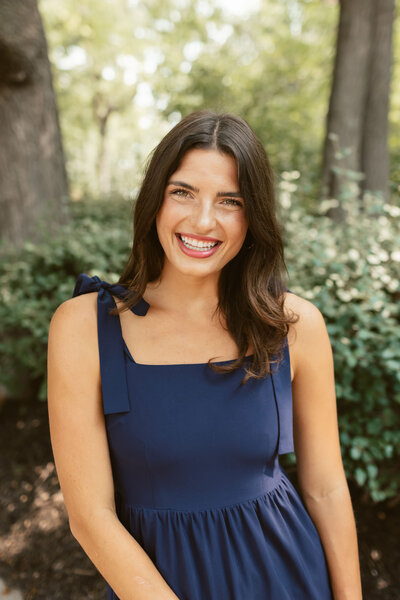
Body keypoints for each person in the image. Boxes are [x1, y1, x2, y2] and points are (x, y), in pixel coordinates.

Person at [47, 110, 363, 600]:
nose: (202, 220)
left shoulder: (295, 326)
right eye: (183, 192)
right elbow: (90, 518)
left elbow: (325, 489)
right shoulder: (83, 326)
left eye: (229, 201)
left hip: (290, 580)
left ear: (252, 214)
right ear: (155, 199)